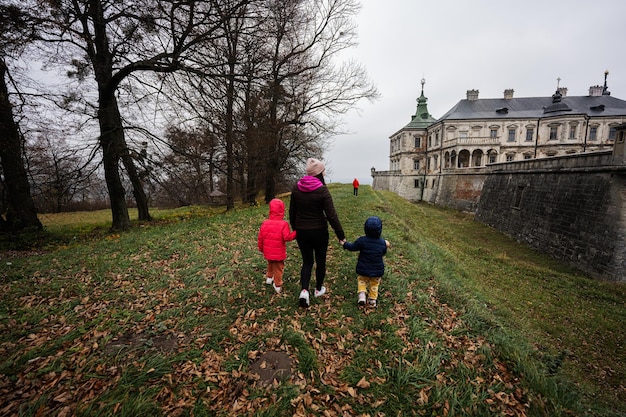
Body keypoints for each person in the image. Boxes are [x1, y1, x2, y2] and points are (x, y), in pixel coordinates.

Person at [289, 158, 346, 308]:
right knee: (320, 261)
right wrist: (341, 235)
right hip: (319, 231)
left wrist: (296, 228)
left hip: (302, 231)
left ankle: (304, 290)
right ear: (320, 173)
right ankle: (318, 289)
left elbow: (292, 212)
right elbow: (331, 215)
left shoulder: (296, 187)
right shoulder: (322, 190)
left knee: (307, 261)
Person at [341, 216, 390, 308]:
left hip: (363, 267)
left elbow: (352, 247)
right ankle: (372, 300)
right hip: (377, 270)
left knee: (362, 280)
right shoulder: (382, 243)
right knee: (374, 283)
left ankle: (362, 295)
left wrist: (345, 244)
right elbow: (383, 252)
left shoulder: (362, 240)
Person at [258, 198, 297, 294]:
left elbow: (261, 238)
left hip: (268, 251)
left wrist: (261, 248)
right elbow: (287, 237)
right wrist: (296, 233)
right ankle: (277, 284)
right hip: (278, 252)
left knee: (270, 263)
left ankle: (269, 277)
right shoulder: (283, 224)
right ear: (282, 211)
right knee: (278, 268)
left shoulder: (265, 223)